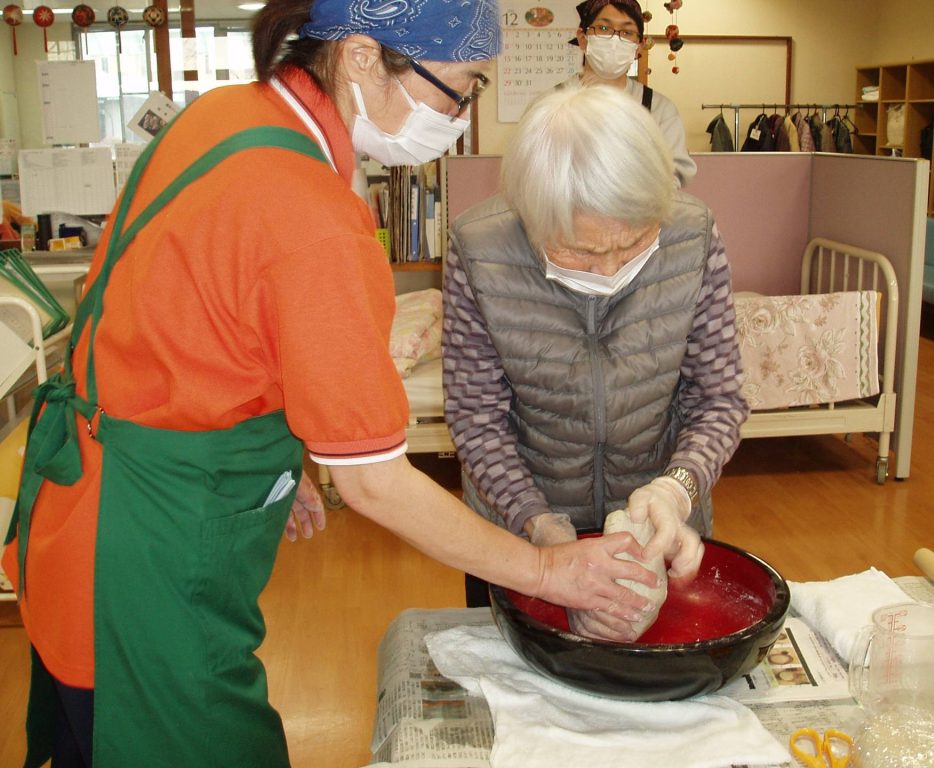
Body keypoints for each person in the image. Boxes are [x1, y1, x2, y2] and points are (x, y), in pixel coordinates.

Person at [1, 2, 659, 765]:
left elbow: (171, 310)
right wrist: (548, 568)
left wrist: (279, 446)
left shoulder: (225, 115)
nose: (461, 116)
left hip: (83, 502)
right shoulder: (314, 214)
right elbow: (377, 485)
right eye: (464, 89)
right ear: (360, 57)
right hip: (142, 561)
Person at [443, 84, 749, 643]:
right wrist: (543, 534)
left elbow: (718, 398)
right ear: (531, 219)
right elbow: (476, 417)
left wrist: (676, 490)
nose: (608, 268)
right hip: (521, 527)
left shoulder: (692, 237)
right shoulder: (479, 248)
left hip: (654, 531)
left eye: (632, 243)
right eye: (580, 251)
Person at [559, 0, 697, 187]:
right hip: (564, 215)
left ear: (638, 46)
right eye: (603, 28)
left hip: (641, 213)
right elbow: (532, 176)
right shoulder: (549, 105)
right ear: (582, 38)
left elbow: (674, 177)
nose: (615, 39)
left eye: (627, 32)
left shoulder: (659, 110)